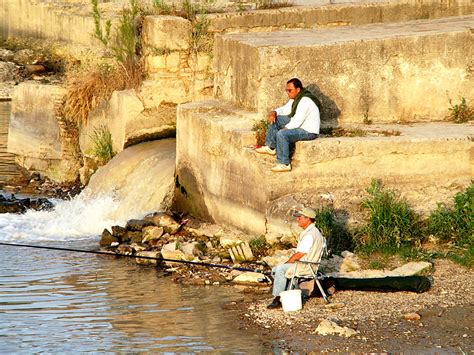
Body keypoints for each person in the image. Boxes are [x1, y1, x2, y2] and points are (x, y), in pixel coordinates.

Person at [256, 78, 321, 172]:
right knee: (275, 119)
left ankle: (284, 163)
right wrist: (274, 112)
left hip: (308, 131)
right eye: (287, 90)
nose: (288, 92)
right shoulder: (296, 99)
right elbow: (285, 109)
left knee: (282, 134)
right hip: (300, 125)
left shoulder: (305, 100)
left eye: (290, 90)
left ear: (298, 89)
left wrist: (286, 128)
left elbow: (298, 120)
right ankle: (271, 147)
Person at [267, 207, 325, 309]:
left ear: (308, 219)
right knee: (276, 269)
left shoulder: (309, 235)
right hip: (310, 265)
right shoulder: (316, 232)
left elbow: (299, 254)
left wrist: (287, 263)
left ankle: (278, 298)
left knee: (279, 269)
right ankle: (288, 292)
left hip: (305, 266)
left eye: (300, 217)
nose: (297, 219)